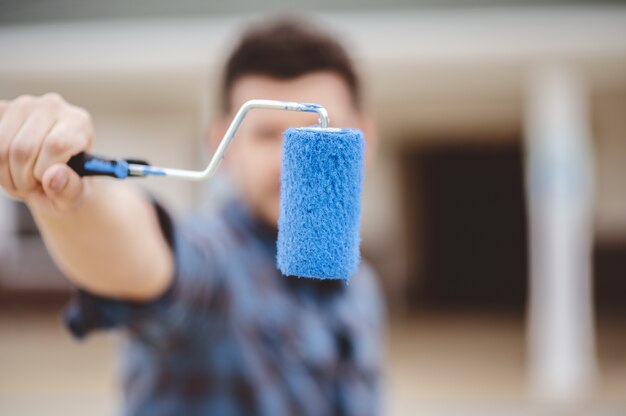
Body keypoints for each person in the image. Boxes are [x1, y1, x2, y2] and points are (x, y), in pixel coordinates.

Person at [0, 18, 384, 416]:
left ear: (363, 141)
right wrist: (73, 202)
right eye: (268, 135)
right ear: (222, 145)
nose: (291, 162)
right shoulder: (214, 259)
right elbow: (151, 259)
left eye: (316, 134)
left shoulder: (362, 287)